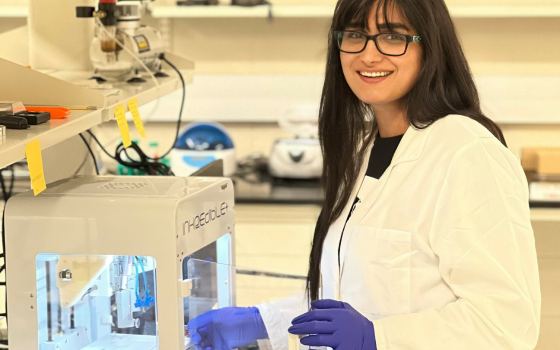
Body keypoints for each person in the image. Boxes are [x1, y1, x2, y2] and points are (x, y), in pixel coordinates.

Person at [187, 0, 541, 349]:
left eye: (392, 36)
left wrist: (379, 338)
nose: (369, 56)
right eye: (356, 34)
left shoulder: (467, 153)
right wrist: (261, 322)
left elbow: (506, 325)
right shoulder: (365, 152)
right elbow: (355, 296)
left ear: (430, 48)